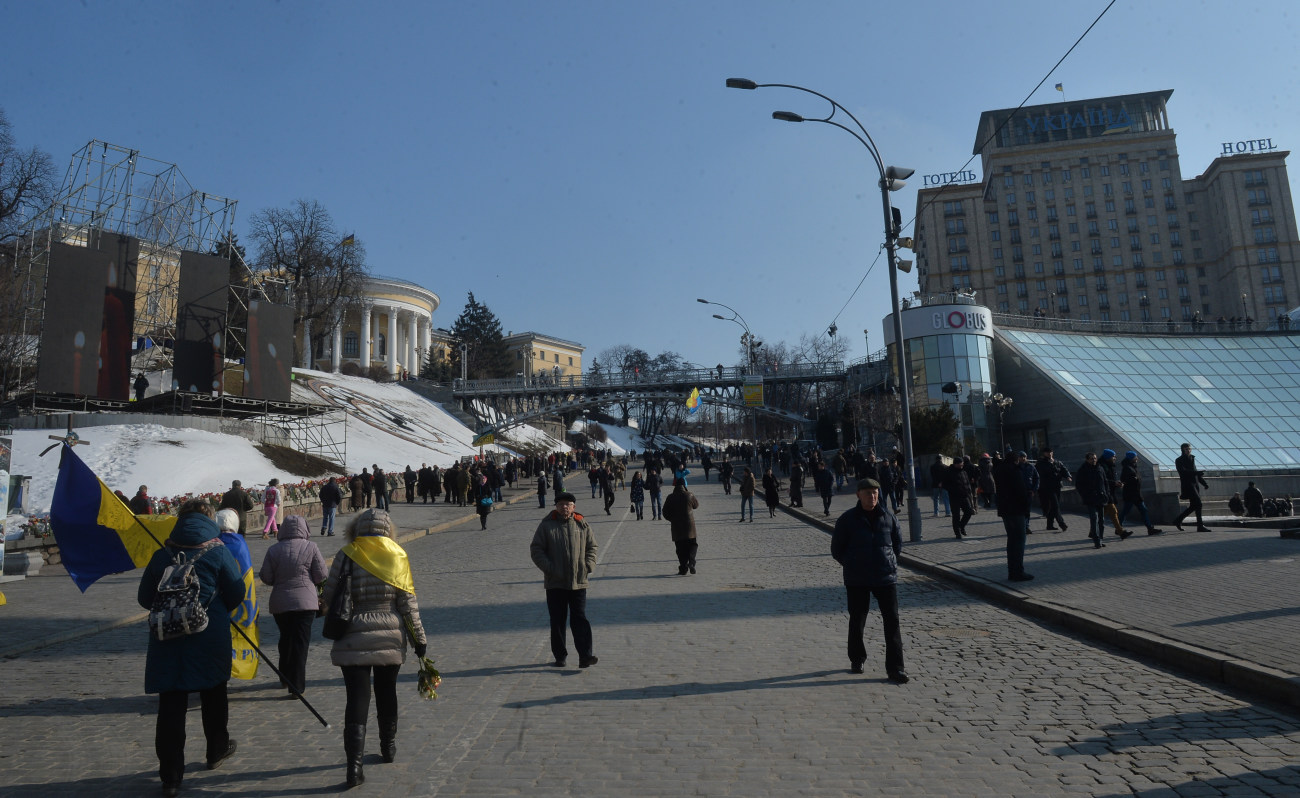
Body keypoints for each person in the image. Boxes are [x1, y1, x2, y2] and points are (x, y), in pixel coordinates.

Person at [137, 499, 244, 797]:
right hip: (208, 634)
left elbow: (145, 598)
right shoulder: (218, 552)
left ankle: (170, 775)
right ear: (209, 520)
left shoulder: (162, 555)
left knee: (171, 704)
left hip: (167, 636)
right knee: (213, 693)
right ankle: (216, 750)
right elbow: (237, 591)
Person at [321, 509, 427, 787]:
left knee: (356, 698)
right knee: (386, 690)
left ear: (357, 528)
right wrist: (419, 638)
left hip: (352, 632)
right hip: (389, 632)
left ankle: (353, 766)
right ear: (388, 529)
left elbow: (329, 596)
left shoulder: (347, 553)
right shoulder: (397, 555)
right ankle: (387, 746)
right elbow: (407, 603)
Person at [830, 478, 907, 683]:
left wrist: (888, 561)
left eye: (875, 493)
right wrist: (852, 563)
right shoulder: (847, 520)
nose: (872, 497)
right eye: (867, 493)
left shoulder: (888, 517)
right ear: (858, 495)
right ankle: (857, 658)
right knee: (857, 620)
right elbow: (837, 549)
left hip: (885, 577)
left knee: (892, 622)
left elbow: (897, 545)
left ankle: (896, 668)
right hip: (858, 578)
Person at [258, 513, 328, 699]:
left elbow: (266, 576)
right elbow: (321, 575)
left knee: (286, 638)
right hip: (305, 603)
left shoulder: (273, 550)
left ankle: (284, 676)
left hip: (280, 601)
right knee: (300, 643)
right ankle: (296, 685)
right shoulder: (311, 547)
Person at [529, 492, 598, 669]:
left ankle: (585, 656)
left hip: (578, 581)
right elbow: (536, 549)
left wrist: (588, 565)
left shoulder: (581, 524)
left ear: (574, 507)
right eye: (561, 504)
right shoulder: (546, 526)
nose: (564, 507)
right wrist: (550, 569)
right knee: (557, 620)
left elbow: (592, 546)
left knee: (579, 619)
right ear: (556, 507)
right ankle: (560, 656)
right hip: (555, 583)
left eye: (568, 504)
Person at [993, 451, 1034, 581]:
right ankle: (1018, 572)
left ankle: (1012, 571)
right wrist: (1026, 507)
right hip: (1016, 509)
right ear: (1016, 460)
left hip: (1005, 510)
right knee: (1019, 541)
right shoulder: (1014, 471)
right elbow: (1021, 491)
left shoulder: (999, 470)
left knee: (1011, 541)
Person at [1118, 452, 1164, 535]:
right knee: (1126, 511)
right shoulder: (1127, 468)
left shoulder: (1132, 466)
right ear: (1131, 458)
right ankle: (1118, 527)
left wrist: (1136, 478)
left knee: (1143, 510)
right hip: (1131, 495)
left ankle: (1150, 528)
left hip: (1136, 495)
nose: (1137, 458)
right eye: (1135, 457)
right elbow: (1124, 480)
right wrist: (1134, 478)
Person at [661, 478, 700, 575]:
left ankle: (683, 568)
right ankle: (691, 562)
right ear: (684, 486)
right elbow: (696, 505)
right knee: (693, 545)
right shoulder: (689, 495)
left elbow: (665, 512)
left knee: (680, 548)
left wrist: (672, 519)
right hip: (689, 526)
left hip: (676, 526)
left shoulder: (670, 497)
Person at [1174, 442, 1210, 532]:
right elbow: (1183, 472)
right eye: (1186, 449)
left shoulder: (1192, 458)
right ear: (1182, 450)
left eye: (1189, 449)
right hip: (1188, 485)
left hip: (1195, 484)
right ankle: (1200, 526)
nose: (1188, 450)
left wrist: (1204, 483)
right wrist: (1197, 473)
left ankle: (1178, 520)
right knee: (1198, 504)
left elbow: (1195, 472)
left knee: (1194, 505)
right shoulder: (1179, 460)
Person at [1075, 452, 1108, 549]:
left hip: (1101, 498)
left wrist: (1106, 494)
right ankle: (1097, 541)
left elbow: (1105, 482)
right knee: (1094, 519)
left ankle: (1101, 539)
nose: (1093, 460)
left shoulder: (1100, 468)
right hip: (1090, 498)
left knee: (1101, 521)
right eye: (1091, 459)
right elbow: (1079, 485)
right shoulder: (1083, 470)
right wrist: (1085, 496)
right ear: (1087, 460)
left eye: (1095, 458)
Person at [1035, 448, 1070, 532]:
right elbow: (1042, 473)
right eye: (1047, 452)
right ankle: (1062, 524)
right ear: (1044, 453)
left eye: (1050, 452)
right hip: (1047, 487)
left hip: (1057, 486)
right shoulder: (1041, 463)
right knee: (1056, 505)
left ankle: (1049, 525)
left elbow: (1063, 469)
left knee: (1054, 506)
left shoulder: (1057, 461)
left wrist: (1068, 476)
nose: (1049, 454)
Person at [1098, 449, 1131, 539]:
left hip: (1109, 492)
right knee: (1113, 511)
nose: (1115, 458)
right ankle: (1121, 531)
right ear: (1108, 457)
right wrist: (1114, 483)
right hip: (1105, 493)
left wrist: (1118, 483)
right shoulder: (1102, 466)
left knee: (1103, 515)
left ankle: (1093, 532)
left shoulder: (1110, 466)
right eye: (1113, 456)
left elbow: (1112, 478)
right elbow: (1103, 480)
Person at [942, 459, 974, 538]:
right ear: (955, 464)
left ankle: (961, 526)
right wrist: (953, 490)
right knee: (956, 515)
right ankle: (957, 533)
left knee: (969, 512)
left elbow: (967, 482)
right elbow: (945, 484)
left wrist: (969, 491)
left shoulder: (964, 472)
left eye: (962, 464)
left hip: (964, 496)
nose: (962, 465)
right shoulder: (949, 472)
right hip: (954, 497)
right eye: (960, 464)